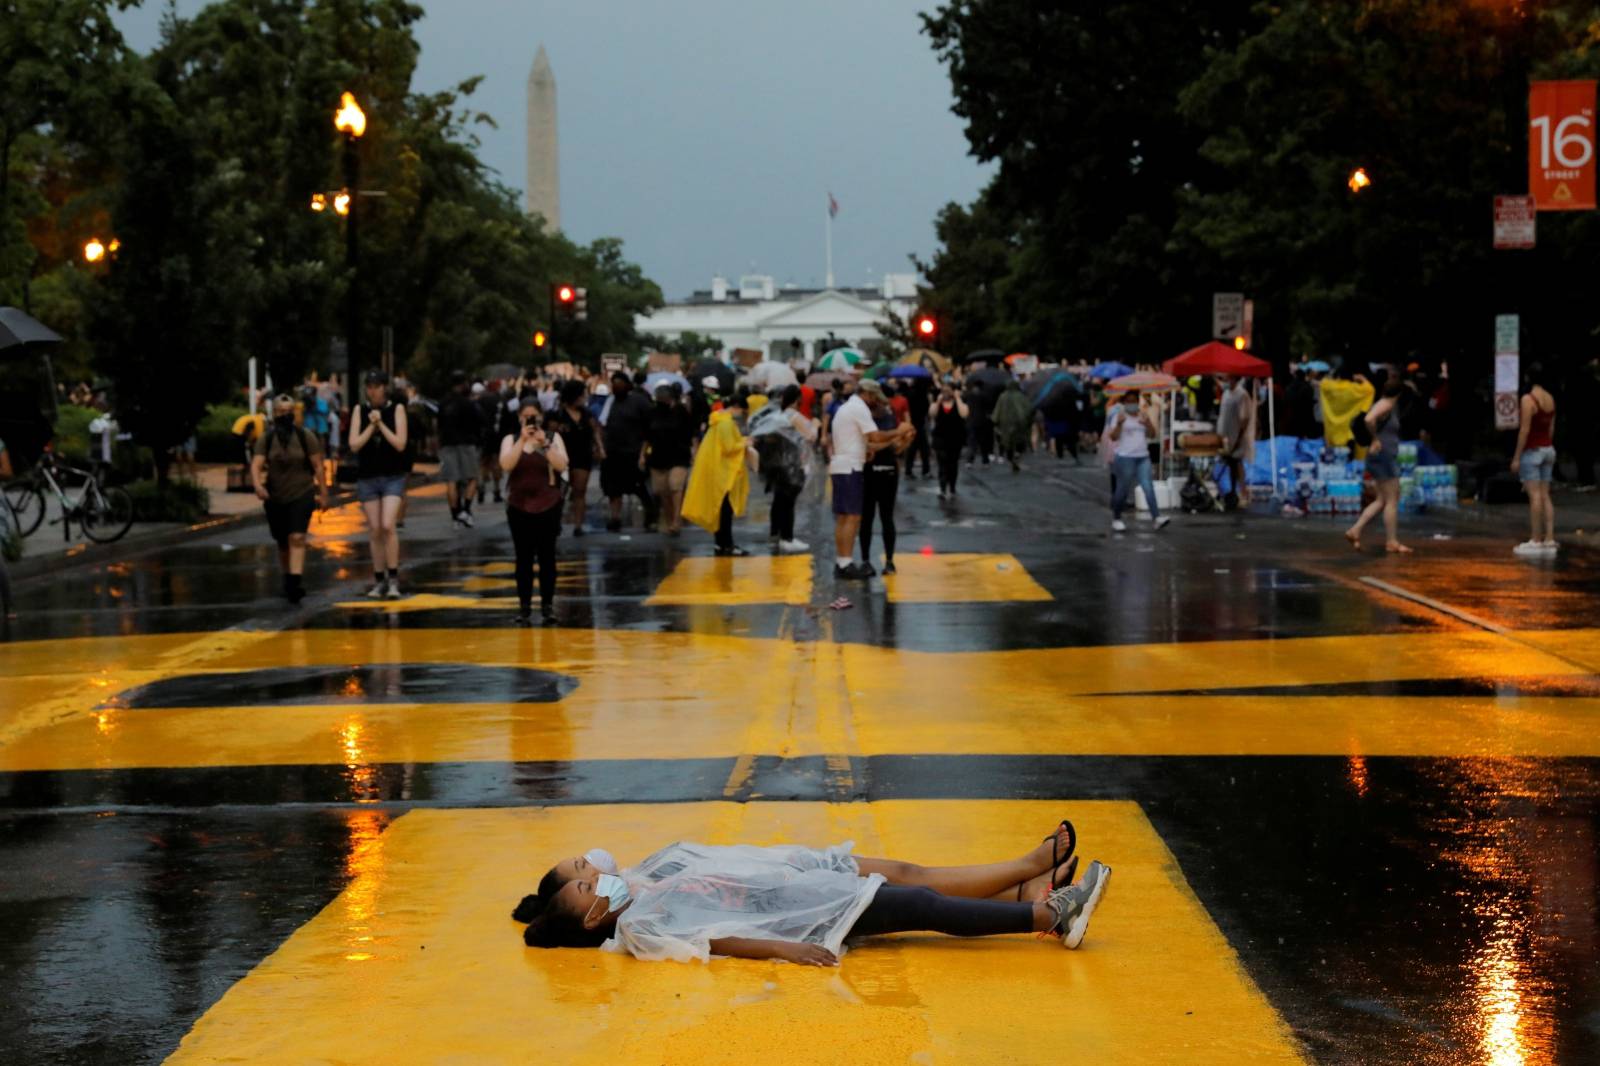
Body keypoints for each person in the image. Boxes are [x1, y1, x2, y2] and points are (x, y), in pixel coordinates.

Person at [511, 821, 1111, 961]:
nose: (595, 873)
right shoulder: (638, 927)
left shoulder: (640, 894)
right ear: (592, 919)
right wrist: (784, 949)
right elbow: (713, 941)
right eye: (587, 882)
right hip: (801, 915)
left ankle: (1032, 895)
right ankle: (1050, 913)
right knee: (921, 906)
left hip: (798, 893)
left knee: (915, 893)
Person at [830, 379, 913, 579]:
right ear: (866, 393)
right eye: (874, 397)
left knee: (843, 517)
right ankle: (846, 563)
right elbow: (875, 437)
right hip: (851, 466)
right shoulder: (859, 408)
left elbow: (865, 441)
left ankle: (842, 561)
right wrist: (899, 432)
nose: (875, 401)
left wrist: (865, 449)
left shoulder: (846, 407)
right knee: (852, 516)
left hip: (842, 463)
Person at [251, 394, 329, 603]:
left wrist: (323, 493)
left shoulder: (306, 437)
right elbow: (256, 464)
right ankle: (287, 578)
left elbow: (318, 467)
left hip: (302, 493)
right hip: (275, 496)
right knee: (283, 541)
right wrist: (258, 485)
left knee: (297, 537)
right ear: (274, 414)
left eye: (289, 412)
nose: (285, 416)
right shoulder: (266, 439)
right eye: (281, 412)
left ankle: (295, 583)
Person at [500, 401, 569, 625]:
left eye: (534, 416)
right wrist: (522, 440)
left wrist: (545, 444)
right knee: (523, 558)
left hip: (548, 504)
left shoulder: (552, 437)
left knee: (547, 557)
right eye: (525, 416)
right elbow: (506, 465)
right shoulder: (510, 440)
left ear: (541, 417)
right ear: (519, 417)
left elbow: (562, 465)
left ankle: (548, 605)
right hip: (519, 505)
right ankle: (525, 606)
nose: (530, 420)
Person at [349, 369, 409, 598]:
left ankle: (393, 579)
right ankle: (378, 579)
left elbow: (400, 443)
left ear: (385, 387)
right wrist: (370, 426)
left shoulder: (397, 409)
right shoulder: (359, 410)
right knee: (374, 530)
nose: (372, 390)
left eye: (376, 385)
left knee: (387, 525)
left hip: (393, 475)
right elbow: (354, 444)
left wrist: (381, 424)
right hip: (368, 476)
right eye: (369, 386)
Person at [682, 394, 756, 556]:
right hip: (724, 473)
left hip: (718, 470)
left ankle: (721, 544)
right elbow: (729, 447)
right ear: (736, 407)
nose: (741, 415)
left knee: (721, 509)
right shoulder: (725, 423)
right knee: (725, 511)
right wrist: (745, 442)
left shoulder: (718, 421)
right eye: (742, 411)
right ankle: (726, 545)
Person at [1344, 380, 1409, 555]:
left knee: (1381, 499)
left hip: (1380, 457)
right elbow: (1368, 419)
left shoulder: (1382, 404)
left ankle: (1355, 530)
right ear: (1399, 394)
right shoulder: (1386, 405)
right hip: (1384, 457)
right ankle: (1392, 541)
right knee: (1392, 499)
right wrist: (1374, 439)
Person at [860, 389, 910, 574]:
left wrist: (904, 440)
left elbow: (897, 447)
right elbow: (872, 442)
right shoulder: (864, 419)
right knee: (867, 518)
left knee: (886, 517)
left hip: (887, 470)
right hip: (870, 470)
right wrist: (895, 437)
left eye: (883, 403)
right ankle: (866, 560)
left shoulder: (890, 417)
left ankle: (889, 560)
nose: (881, 406)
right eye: (878, 402)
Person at [1510, 364, 1558, 557]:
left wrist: (1516, 457)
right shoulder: (1550, 399)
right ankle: (1549, 538)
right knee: (1546, 495)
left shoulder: (1528, 400)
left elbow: (1524, 430)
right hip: (1548, 449)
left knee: (1534, 495)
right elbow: (1551, 429)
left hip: (1532, 451)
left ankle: (1535, 539)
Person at [1107, 390, 1170, 533]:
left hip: (1143, 456)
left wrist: (1148, 423)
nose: (1132, 404)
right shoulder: (1118, 416)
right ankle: (1116, 518)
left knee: (1148, 486)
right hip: (1125, 457)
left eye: (1134, 401)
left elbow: (1152, 434)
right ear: (1124, 403)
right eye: (1128, 401)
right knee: (1122, 489)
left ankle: (1156, 517)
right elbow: (1113, 437)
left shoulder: (1142, 415)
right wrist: (1119, 425)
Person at [600, 372, 656, 532]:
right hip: (613, 453)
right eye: (613, 384)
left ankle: (650, 518)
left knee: (640, 489)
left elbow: (649, 429)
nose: (616, 387)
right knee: (613, 490)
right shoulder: (610, 402)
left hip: (633, 453)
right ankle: (615, 518)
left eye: (619, 383)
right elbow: (602, 424)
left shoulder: (639, 402)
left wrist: (643, 454)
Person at [546, 380, 603, 537]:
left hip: (582, 455)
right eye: (582, 394)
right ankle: (556, 522)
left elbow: (595, 430)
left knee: (580, 491)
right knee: (560, 492)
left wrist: (600, 448)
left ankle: (578, 525)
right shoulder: (556, 414)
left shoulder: (587, 413)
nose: (585, 398)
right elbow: (549, 435)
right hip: (561, 456)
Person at [767, 385, 816, 553]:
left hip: (778, 462)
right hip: (793, 464)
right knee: (788, 502)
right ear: (798, 399)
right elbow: (810, 436)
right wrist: (815, 424)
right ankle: (787, 538)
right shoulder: (794, 416)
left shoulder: (777, 415)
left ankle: (776, 534)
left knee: (778, 501)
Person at [643, 385, 694, 536]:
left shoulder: (681, 412)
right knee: (662, 491)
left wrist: (693, 450)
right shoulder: (652, 413)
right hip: (658, 456)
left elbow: (691, 432)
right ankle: (669, 518)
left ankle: (676, 520)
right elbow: (647, 435)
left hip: (679, 455)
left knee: (675, 487)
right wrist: (643, 454)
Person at [437, 369, 483, 528]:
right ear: (464, 384)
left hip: (447, 444)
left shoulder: (443, 402)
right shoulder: (468, 403)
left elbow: (438, 424)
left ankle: (455, 515)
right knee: (472, 478)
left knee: (451, 480)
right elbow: (478, 422)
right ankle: (466, 509)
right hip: (466, 443)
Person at [1215, 375, 1253, 510]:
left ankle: (1243, 493)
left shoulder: (1241, 394)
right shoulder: (1226, 394)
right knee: (1231, 465)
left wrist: (1238, 438)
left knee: (1237, 464)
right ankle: (1233, 492)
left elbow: (1245, 419)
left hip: (1236, 435)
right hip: (1225, 436)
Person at [930, 384, 969, 499]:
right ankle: (942, 488)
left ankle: (952, 486)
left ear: (953, 391)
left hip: (955, 439)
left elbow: (964, 414)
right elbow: (932, 414)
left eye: (948, 391)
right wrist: (938, 402)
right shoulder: (936, 404)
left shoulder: (960, 404)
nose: (945, 393)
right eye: (943, 390)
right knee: (942, 464)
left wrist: (957, 398)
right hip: (940, 439)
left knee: (953, 464)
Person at [993, 379, 1033, 473]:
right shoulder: (1021, 396)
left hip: (1005, 424)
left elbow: (997, 411)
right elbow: (1029, 408)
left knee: (1008, 443)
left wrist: (995, 421)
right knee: (1020, 441)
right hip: (1020, 424)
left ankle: (1012, 459)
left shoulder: (1002, 396)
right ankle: (1017, 455)